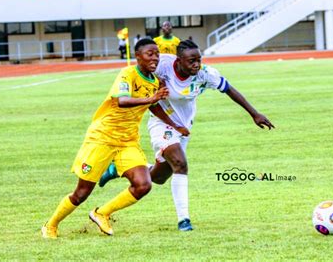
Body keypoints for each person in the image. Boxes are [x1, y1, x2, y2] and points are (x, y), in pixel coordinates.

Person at [100, 40, 275, 231]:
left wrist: (254, 114)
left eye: (199, 60)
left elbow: (230, 90)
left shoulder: (204, 74)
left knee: (159, 177)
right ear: (178, 60)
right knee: (181, 164)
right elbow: (142, 76)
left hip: (184, 127)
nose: (196, 64)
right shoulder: (162, 64)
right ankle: (184, 220)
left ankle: (119, 169)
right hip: (161, 122)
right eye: (192, 61)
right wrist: (155, 88)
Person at [42, 38, 170, 239]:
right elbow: (122, 101)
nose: (155, 57)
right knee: (82, 193)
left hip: (127, 141)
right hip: (102, 138)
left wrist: (175, 124)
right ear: (138, 56)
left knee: (143, 185)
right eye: (150, 54)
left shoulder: (154, 82)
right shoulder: (127, 74)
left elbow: (152, 106)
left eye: (157, 54)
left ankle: (102, 213)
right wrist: (151, 98)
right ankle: (50, 225)